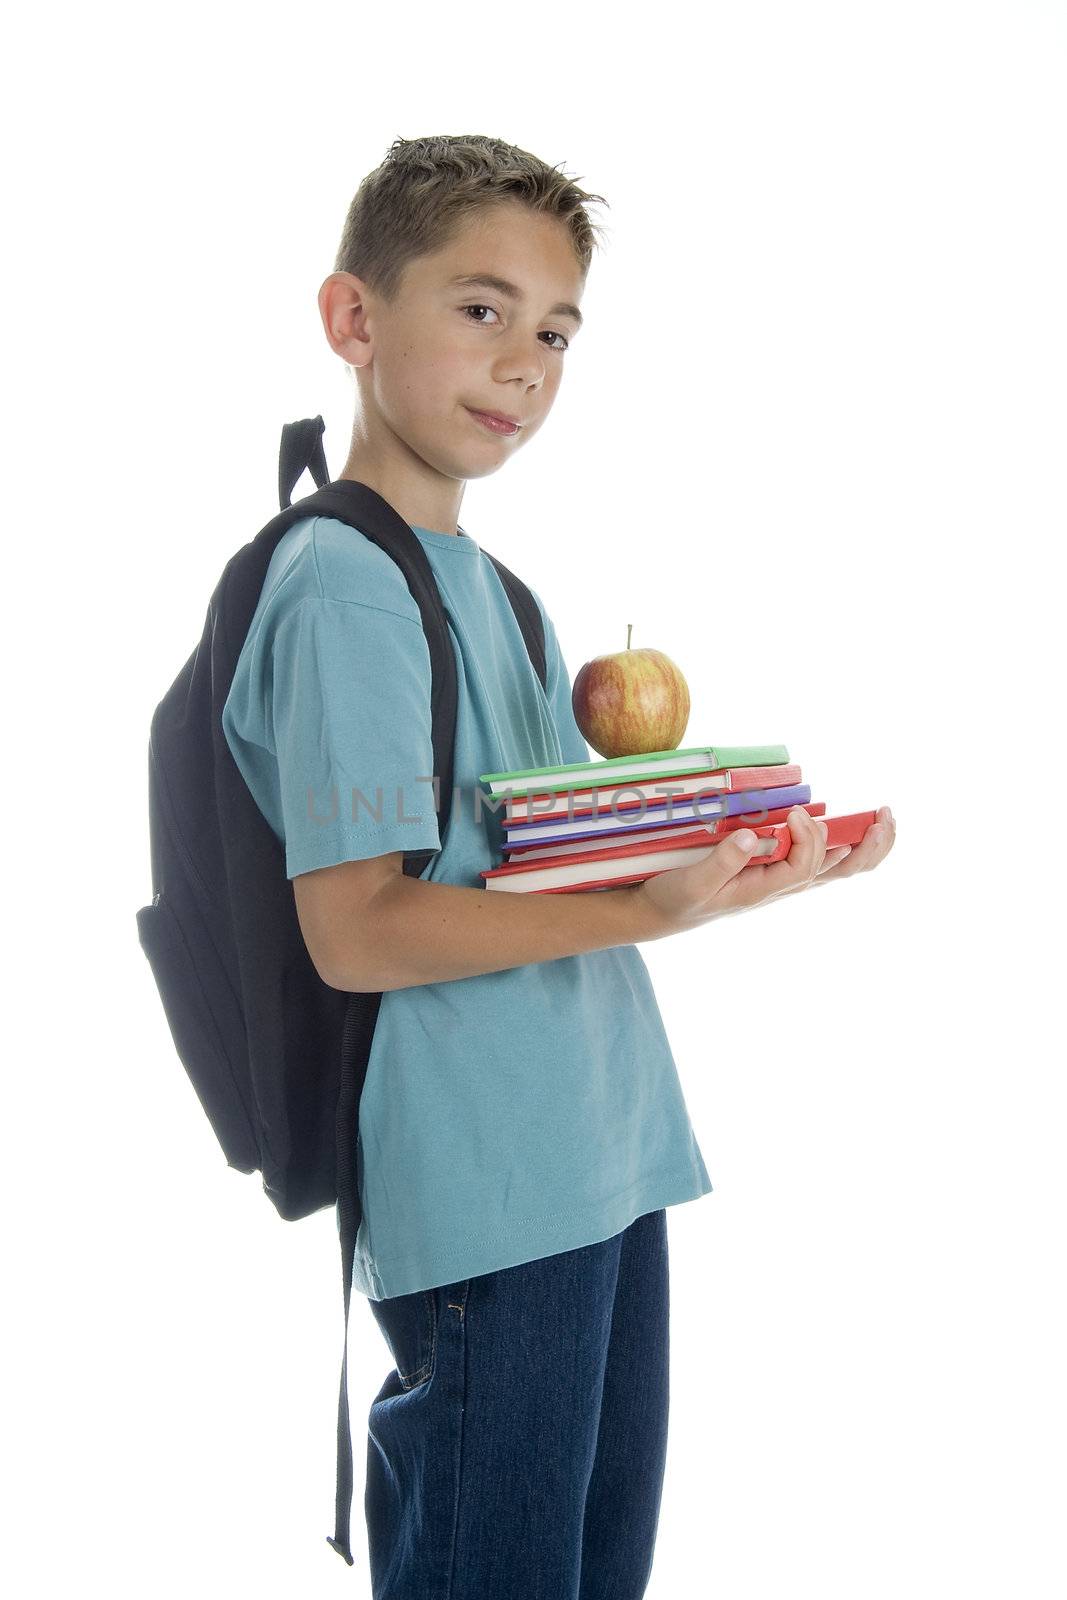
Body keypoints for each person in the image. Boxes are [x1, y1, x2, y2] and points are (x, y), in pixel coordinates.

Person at [221, 133, 895, 1599]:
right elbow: (359, 929)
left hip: (599, 1151)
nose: (523, 360)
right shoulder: (345, 586)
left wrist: (741, 864)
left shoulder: (502, 595)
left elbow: (534, 870)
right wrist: (640, 906)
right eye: (479, 307)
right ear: (354, 320)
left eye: (556, 330)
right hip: (484, 1181)